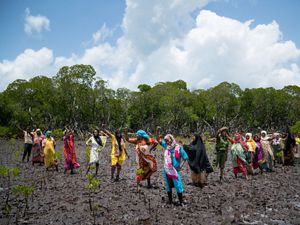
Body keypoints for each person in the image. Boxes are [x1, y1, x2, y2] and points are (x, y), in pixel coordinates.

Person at [159, 134, 188, 205]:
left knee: (178, 184)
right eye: (165, 141)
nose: (166, 142)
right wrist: (158, 131)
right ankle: (170, 200)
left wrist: (180, 166)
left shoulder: (178, 147)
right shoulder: (166, 146)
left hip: (175, 170)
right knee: (168, 185)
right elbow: (159, 140)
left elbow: (185, 157)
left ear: (171, 139)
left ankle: (181, 201)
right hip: (167, 170)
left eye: (168, 140)